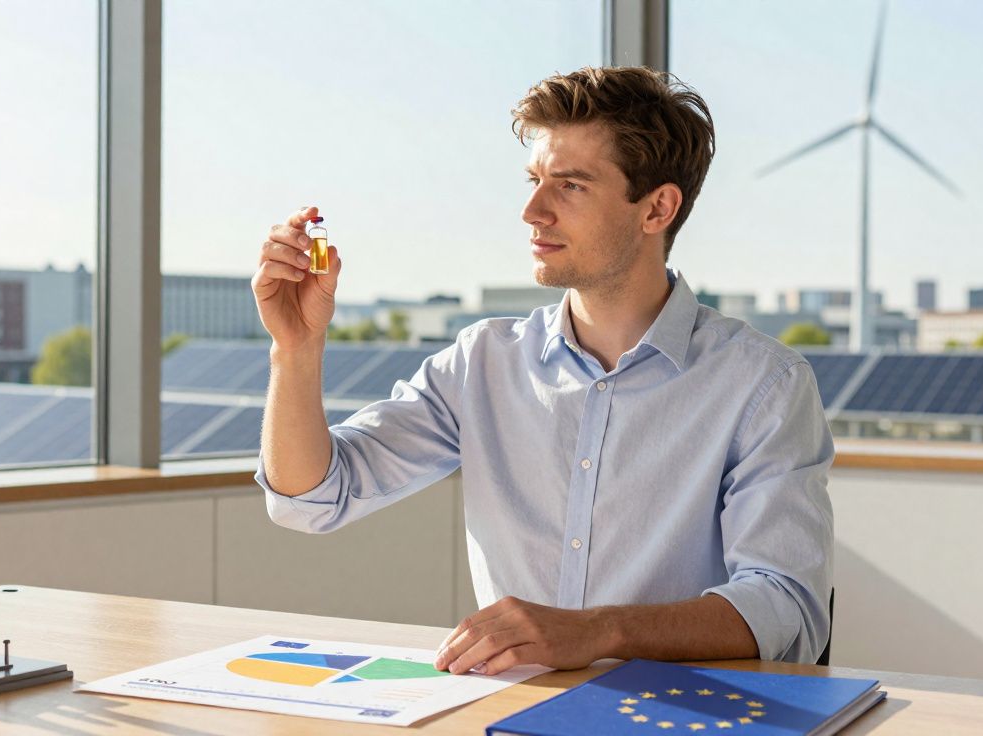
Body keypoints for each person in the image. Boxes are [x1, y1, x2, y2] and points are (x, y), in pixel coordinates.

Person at [250, 66, 833, 676]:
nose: (532, 210)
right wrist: (296, 348)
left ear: (657, 208)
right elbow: (312, 497)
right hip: (516, 710)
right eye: (533, 181)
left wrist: (598, 631)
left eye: (570, 186)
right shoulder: (482, 363)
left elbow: (784, 604)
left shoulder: (764, 385)